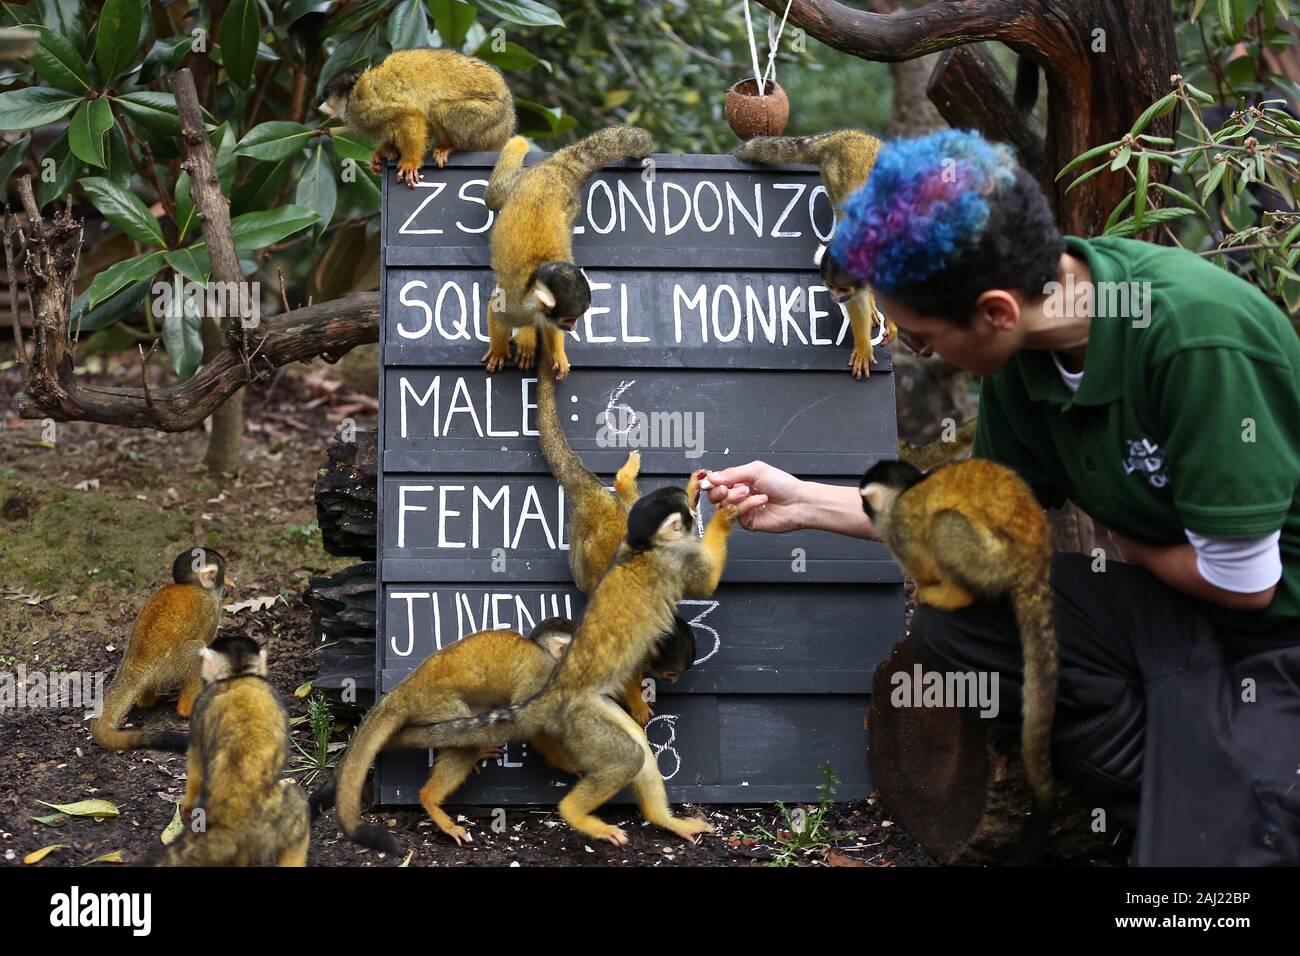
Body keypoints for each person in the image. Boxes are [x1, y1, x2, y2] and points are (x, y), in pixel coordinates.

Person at [705, 130, 1300, 866]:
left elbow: (1245, 584)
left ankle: (1216, 804)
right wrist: (804, 504)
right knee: (964, 624)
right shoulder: (1031, 349)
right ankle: (1166, 796)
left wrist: (1119, 529)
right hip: (1171, 614)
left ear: (995, 312)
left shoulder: (1197, 341)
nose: (913, 350)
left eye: (920, 338)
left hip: (1277, 630)